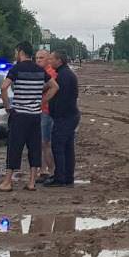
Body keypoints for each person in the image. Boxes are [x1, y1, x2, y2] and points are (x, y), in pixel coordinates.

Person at [0, 42, 58, 192]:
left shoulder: (16, 69)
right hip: (35, 115)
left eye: (16, 51)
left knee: (14, 147)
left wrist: (7, 106)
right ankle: (31, 182)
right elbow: (55, 86)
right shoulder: (39, 70)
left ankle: (7, 182)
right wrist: (42, 100)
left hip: (19, 115)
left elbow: (4, 87)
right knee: (34, 147)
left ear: (21, 52)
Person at [44, 50, 80, 187]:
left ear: (59, 60)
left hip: (65, 117)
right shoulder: (66, 74)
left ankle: (60, 178)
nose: (49, 61)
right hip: (69, 116)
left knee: (58, 146)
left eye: (51, 59)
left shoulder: (64, 76)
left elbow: (62, 99)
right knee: (67, 147)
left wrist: (54, 112)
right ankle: (67, 176)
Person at [35, 49, 57, 181]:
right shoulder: (41, 72)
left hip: (47, 112)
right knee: (41, 142)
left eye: (41, 58)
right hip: (41, 111)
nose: (38, 60)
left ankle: (51, 170)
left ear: (48, 59)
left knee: (45, 142)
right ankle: (43, 170)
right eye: (37, 58)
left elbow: (43, 87)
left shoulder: (50, 73)